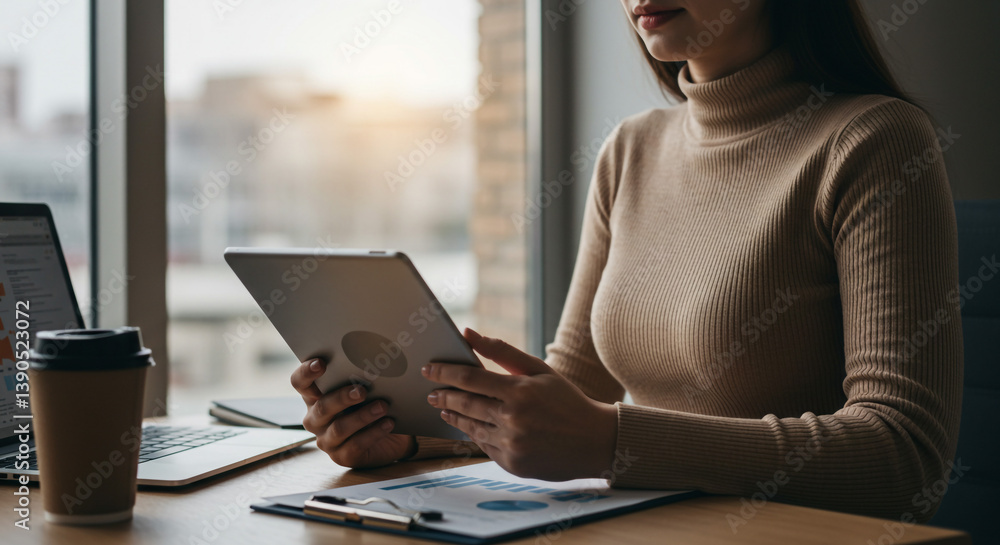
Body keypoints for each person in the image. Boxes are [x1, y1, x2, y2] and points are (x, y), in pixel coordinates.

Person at [292, 0, 962, 522]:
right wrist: (409, 441)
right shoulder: (630, 150)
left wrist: (615, 442)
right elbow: (569, 400)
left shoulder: (874, 142)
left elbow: (905, 458)